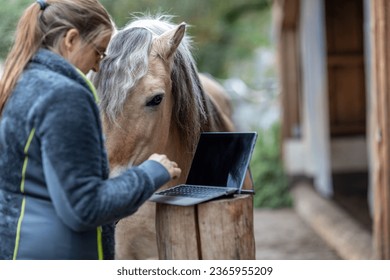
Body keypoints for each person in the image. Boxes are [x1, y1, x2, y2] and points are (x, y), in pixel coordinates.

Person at [0, 0, 181, 260]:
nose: (98, 66)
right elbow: (85, 208)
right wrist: (152, 173)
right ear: (71, 40)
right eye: (98, 52)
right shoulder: (65, 95)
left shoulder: (21, 82)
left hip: (19, 245)